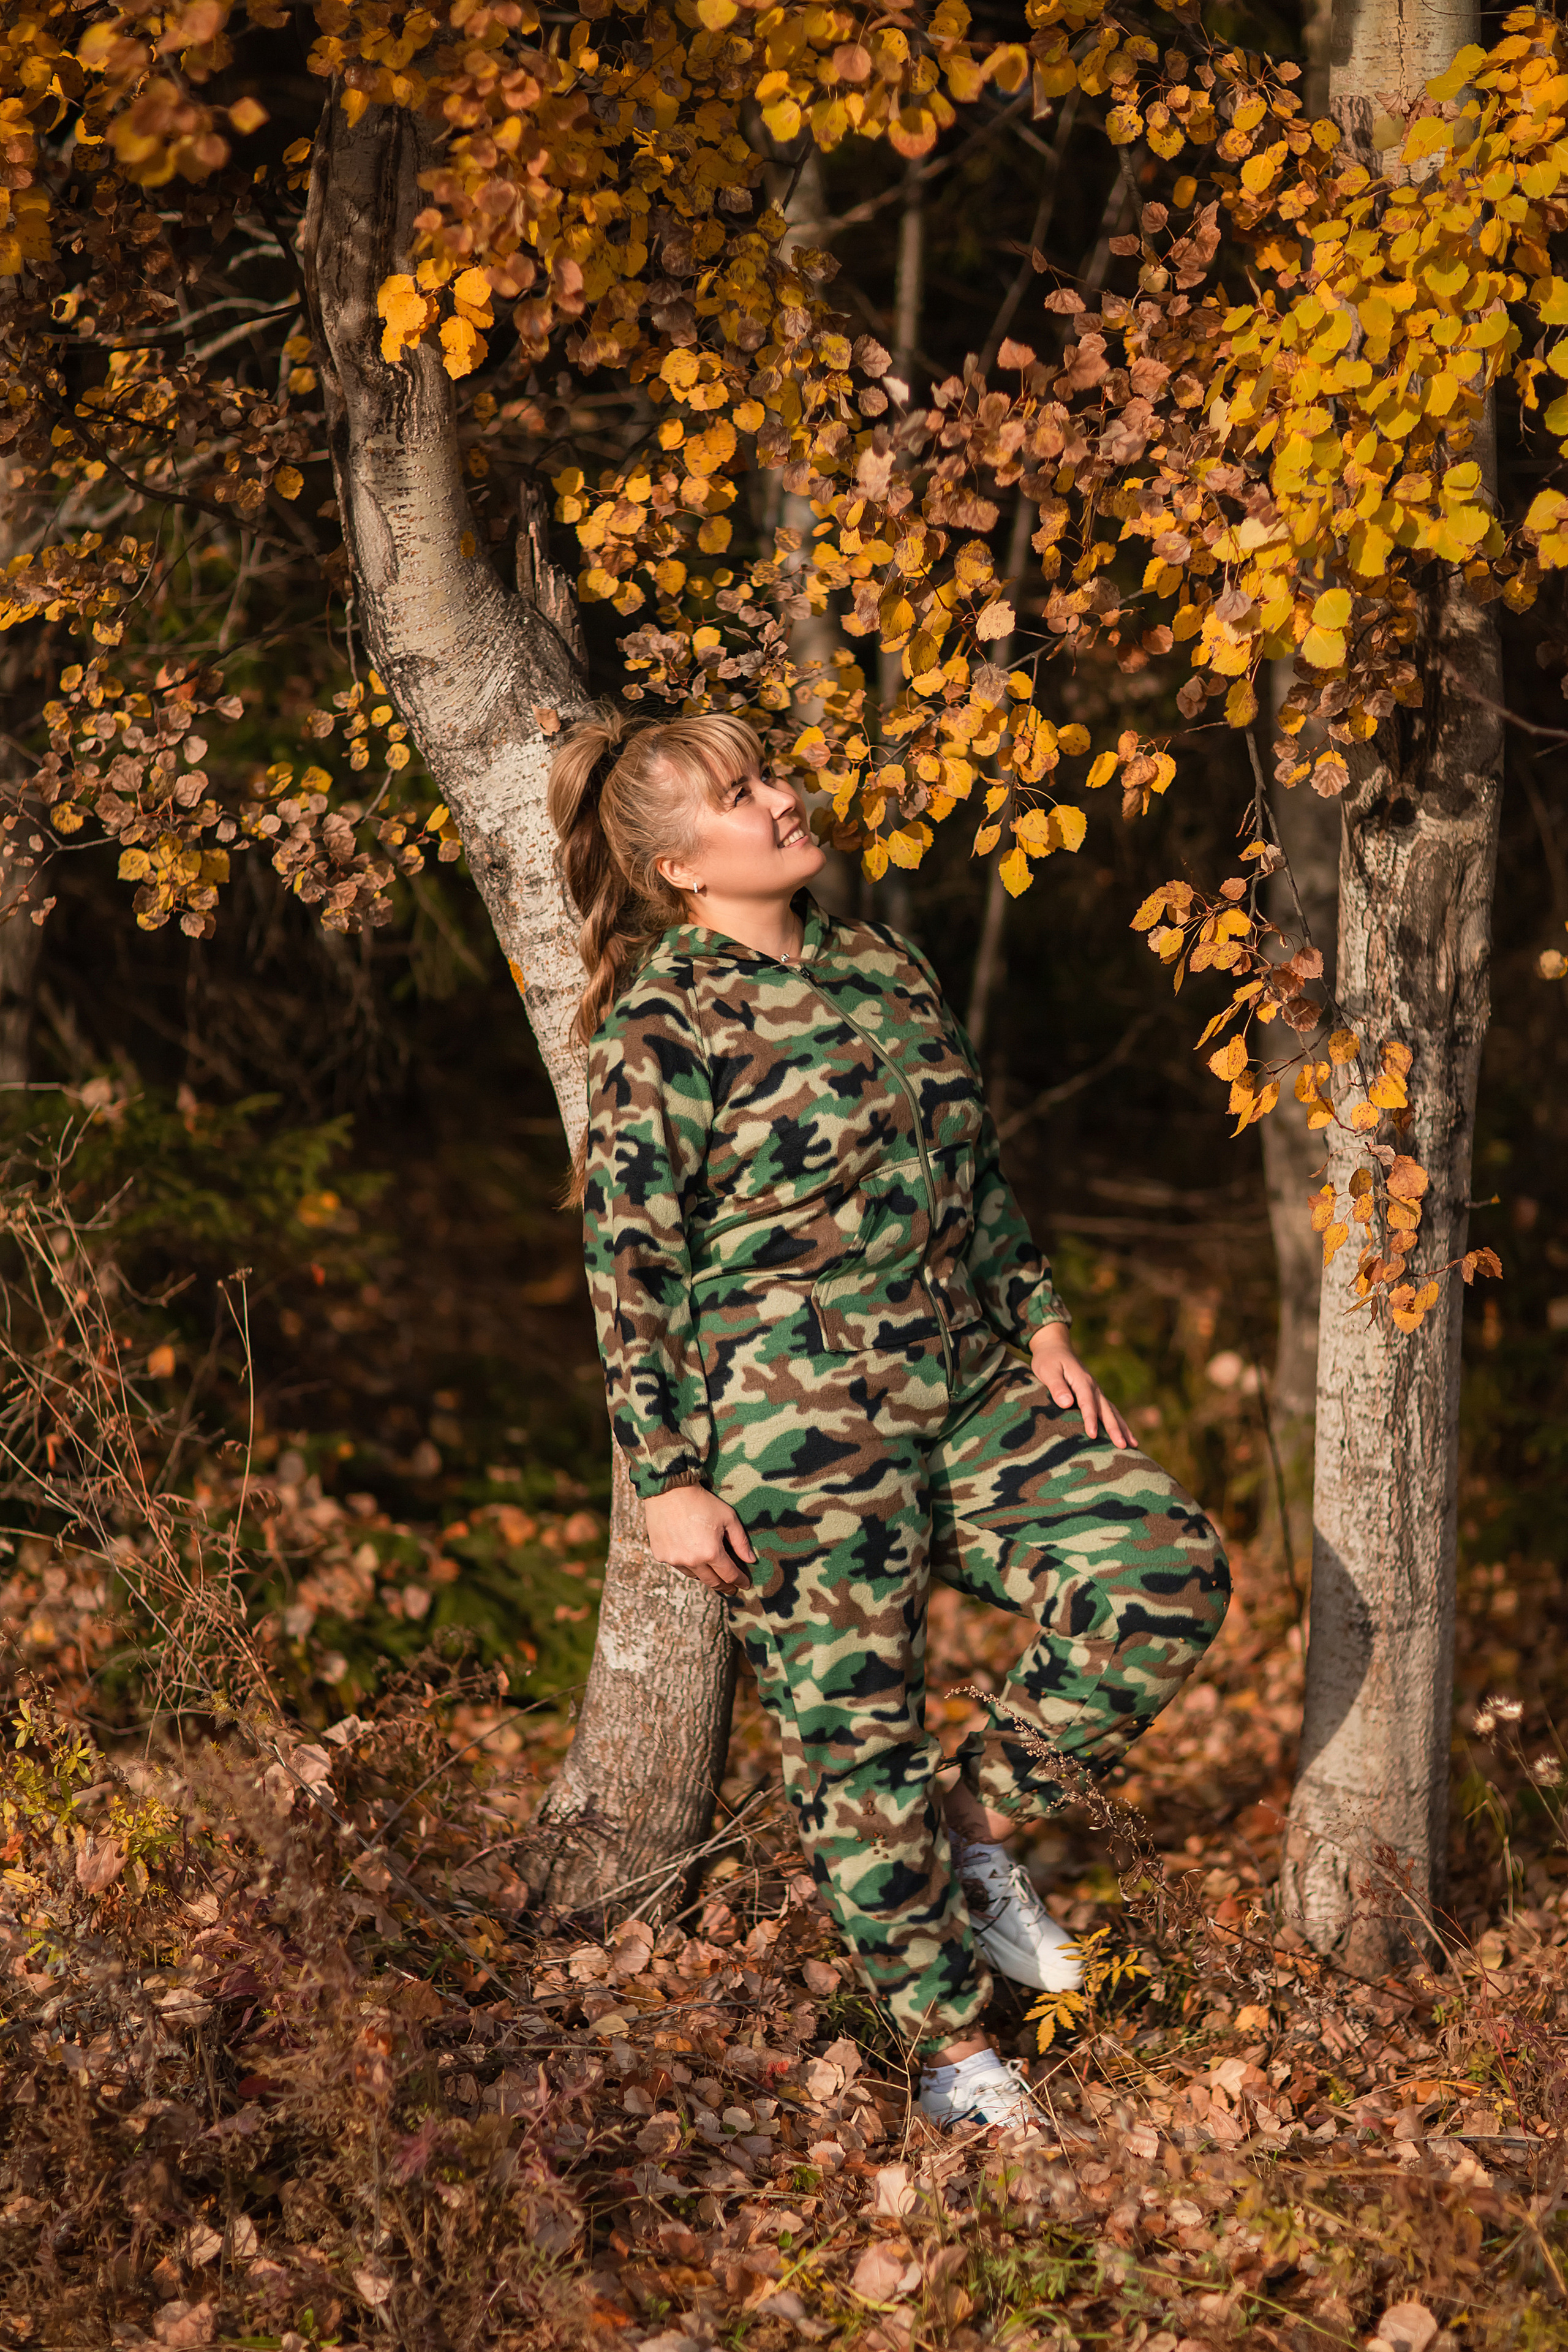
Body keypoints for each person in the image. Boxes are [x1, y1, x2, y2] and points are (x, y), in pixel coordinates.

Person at [548, 706, 1230, 2136]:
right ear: (681, 866)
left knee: (1161, 1564)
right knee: (852, 1741)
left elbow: (969, 1170)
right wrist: (666, 1478)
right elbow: (630, 1264)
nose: (783, 802)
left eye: (771, 777)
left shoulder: (875, 960)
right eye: (743, 797)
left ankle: (974, 1832)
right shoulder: (662, 1022)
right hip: (797, 1436)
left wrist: (1038, 1317)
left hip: (961, 1384)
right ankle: (951, 2059)